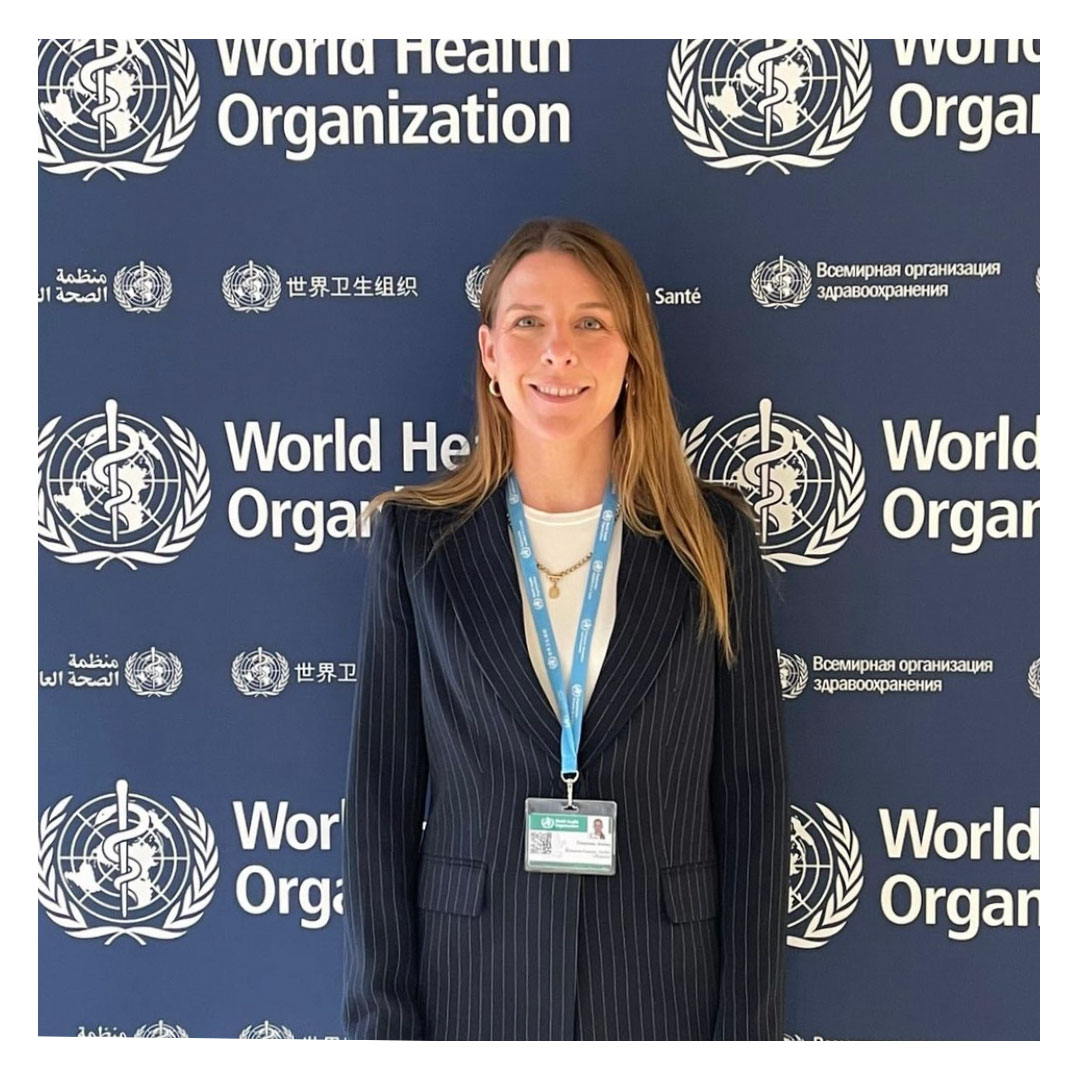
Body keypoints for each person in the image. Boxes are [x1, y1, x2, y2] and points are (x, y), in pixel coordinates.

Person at [342, 217, 788, 1041]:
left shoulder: (712, 538)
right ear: (490, 354)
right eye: (528, 323)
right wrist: (382, 1035)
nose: (559, 351)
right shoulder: (415, 543)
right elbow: (380, 802)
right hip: (470, 989)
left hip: (663, 993)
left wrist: (747, 1043)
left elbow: (753, 801)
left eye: (591, 321)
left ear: (632, 354)